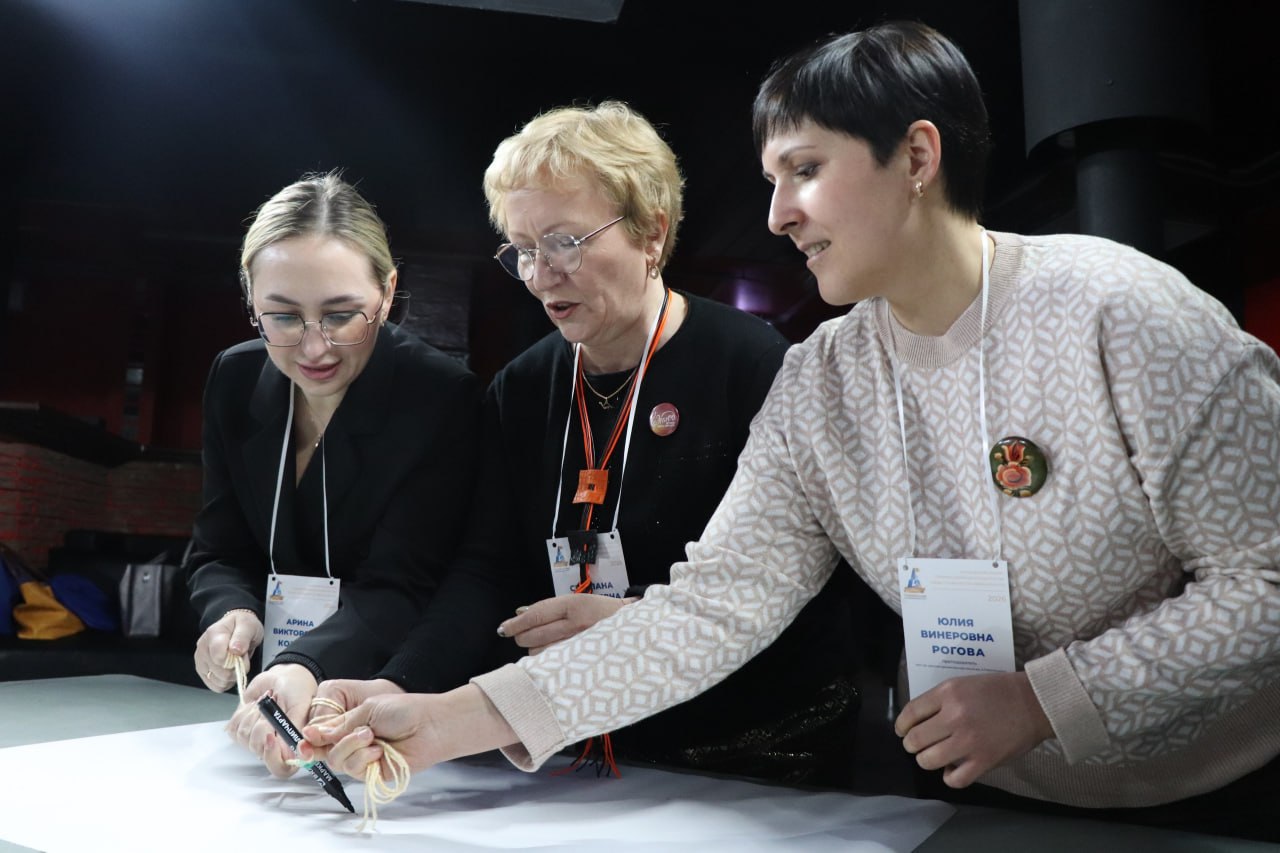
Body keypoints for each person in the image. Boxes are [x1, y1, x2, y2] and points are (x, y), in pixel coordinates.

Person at [304, 23, 1280, 841]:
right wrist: (443, 720)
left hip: (1211, 797)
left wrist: (1043, 698)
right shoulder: (820, 378)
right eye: (771, 180)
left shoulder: (1118, 311)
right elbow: (713, 607)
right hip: (975, 794)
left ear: (916, 157)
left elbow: (1266, 579)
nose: (776, 215)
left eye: (804, 170)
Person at [313, 101, 861, 785]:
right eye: (524, 250)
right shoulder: (522, 388)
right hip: (583, 751)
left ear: (652, 233)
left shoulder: (754, 367)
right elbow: (485, 572)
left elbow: (809, 583)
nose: (541, 275)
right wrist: (402, 682)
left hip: (757, 759)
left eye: (565, 242)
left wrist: (637, 621)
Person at [186, 173, 481, 777]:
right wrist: (229, 613)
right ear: (250, 300)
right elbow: (218, 549)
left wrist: (304, 665)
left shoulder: (441, 398)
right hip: (268, 694)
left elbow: (405, 585)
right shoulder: (234, 378)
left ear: (388, 292)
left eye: (342, 316)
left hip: (380, 698)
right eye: (283, 317)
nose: (314, 348)